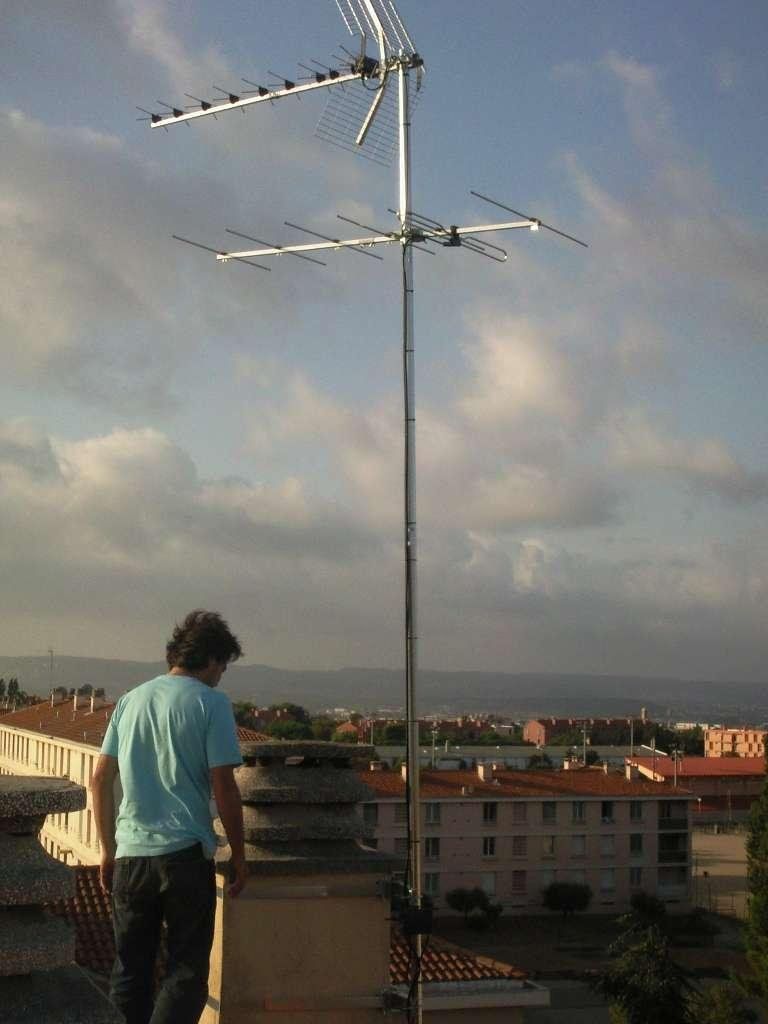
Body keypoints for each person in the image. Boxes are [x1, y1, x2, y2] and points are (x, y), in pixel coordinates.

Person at [91, 609, 248, 1024]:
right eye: (223, 666)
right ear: (212, 659)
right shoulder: (211, 703)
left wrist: (108, 850)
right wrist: (240, 855)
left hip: (130, 857)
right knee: (185, 973)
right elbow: (225, 786)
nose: (221, 676)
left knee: (129, 972)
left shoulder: (130, 700)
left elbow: (99, 779)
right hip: (183, 857)